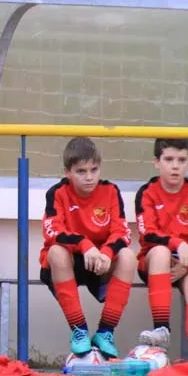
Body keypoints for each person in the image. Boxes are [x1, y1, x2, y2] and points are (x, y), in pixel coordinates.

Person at [39, 137, 135, 359]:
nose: (89, 177)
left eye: (94, 170)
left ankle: (105, 332)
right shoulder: (57, 192)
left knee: (128, 256)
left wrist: (107, 253)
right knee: (56, 252)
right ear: (68, 172)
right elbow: (53, 230)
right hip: (67, 263)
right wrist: (85, 245)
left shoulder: (111, 191)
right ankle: (79, 329)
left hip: (100, 262)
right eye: (81, 171)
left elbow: (122, 231)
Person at [135, 138, 188, 362]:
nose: (175, 166)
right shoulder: (147, 192)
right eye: (169, 159)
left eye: (181, 160)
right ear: (156, 162)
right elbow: (147, 233)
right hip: (153, 261)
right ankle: (161, 330)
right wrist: (178, 243)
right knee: (161, 252)